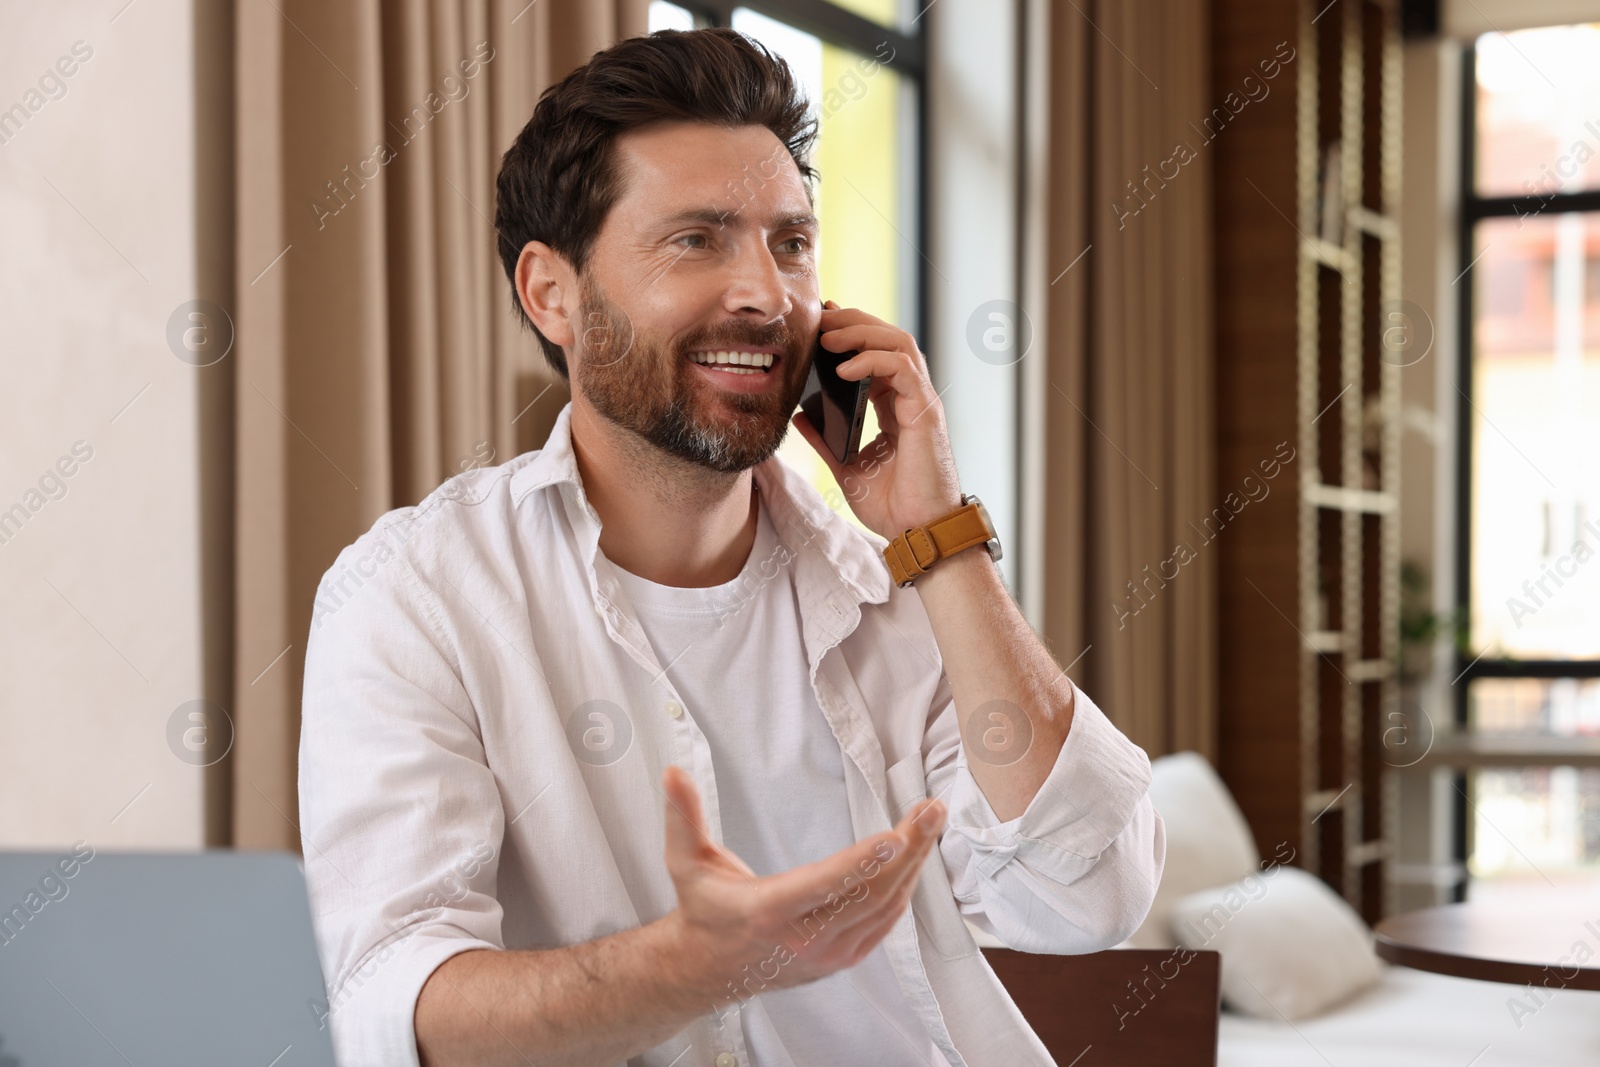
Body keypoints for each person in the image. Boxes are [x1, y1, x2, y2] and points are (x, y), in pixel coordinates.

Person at [298, 26, 1164, 1067]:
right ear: (551, 292)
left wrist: (940, 539)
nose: (766, 294)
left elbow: (1088, 896)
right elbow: (395, 1004)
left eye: (789, 242)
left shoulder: (897, 589)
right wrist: (689, 964)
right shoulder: (413, 596)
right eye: (697, 239)